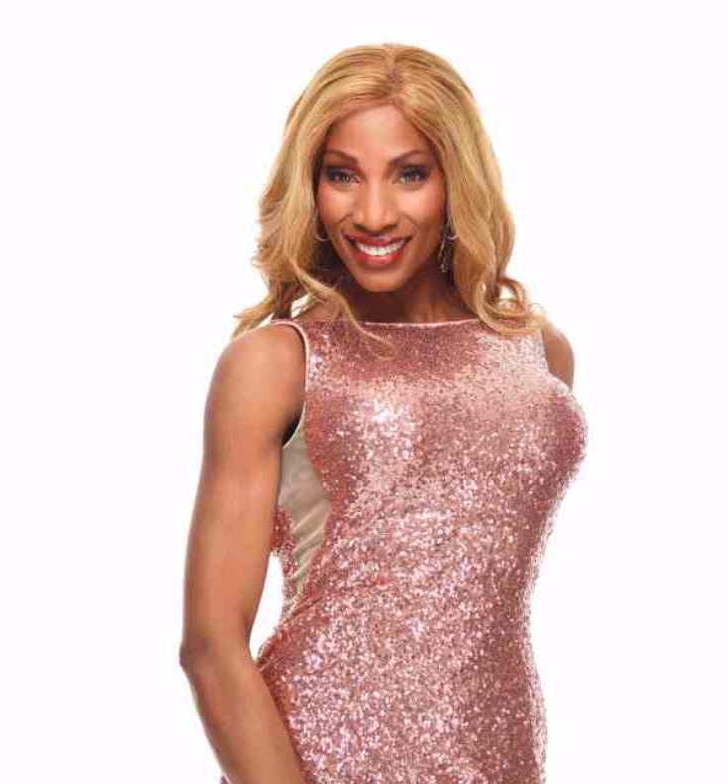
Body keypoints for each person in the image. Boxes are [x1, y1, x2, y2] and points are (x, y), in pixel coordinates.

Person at [179, 43, 587, 784]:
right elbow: (211, 648)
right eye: (342, 175)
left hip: (501, 755)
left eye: (410, 174)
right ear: (310, 186)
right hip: (318, 757)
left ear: (455, 179)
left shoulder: (538, 355)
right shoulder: (276, 363)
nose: (372, 213)